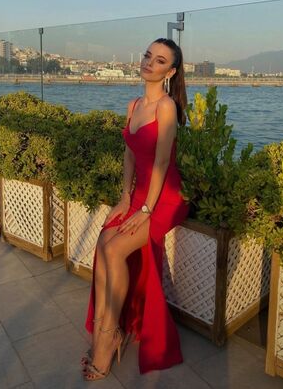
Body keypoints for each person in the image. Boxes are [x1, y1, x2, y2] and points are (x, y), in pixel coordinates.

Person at [81, 37, 190, 381]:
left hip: (165, 198)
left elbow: (161, 162)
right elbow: (129, 154)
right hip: (140, 195)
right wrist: (125, 198)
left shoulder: (166, 107)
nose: (149, 63)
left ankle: (108, 336)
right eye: (147, 56)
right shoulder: (134, 105)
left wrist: (145, 209)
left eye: (159, 61)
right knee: (104, 242)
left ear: (170, 72)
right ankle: (104, 325)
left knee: (115, 250)